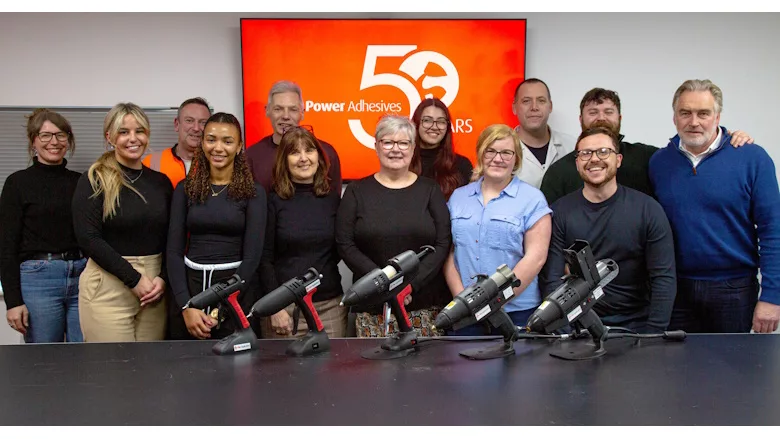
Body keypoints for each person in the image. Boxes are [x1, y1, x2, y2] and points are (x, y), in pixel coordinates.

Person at [649, 79, 780, 334]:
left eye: (703, 113)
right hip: (676, 291)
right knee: (676, 371)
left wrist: (772, 296)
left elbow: (773, 230)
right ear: (674, 118)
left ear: (717, 116)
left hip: (734, 291)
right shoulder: (659, 163)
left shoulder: (752, 158)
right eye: (685, 113)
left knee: (733, 371)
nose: (694, 121)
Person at [540, 126, 676, 333]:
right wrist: (563, 333)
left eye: (604, 151)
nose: (594, 159)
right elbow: (551, 279)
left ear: (618, 160)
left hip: (636, 326)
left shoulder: (648, 210)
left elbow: (663, 278)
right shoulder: (559, 212)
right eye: (585, 153)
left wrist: (653, 335)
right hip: (578, 327)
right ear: (577, 163)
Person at [336, 115, 451, 337]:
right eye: (388, 142)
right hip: (372, 305)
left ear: (413, 147)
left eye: (403, 143)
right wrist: (385, 283)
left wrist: (410, 285)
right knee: (376, 370)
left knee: (425, 371)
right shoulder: (356, 191)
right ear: (376, 146)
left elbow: (442, 242)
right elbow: (345, 244)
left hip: (423, 305)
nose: (395, 149)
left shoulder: (430, 190)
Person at [540, 87, 754, 205]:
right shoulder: (560, 172)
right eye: (593, 112)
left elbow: (691, 152)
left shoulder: (648, 157)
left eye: (608, 112)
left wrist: (726, 137)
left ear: (620, 117)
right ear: (580, 119)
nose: (601, 118)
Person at [72, 103, 173, 342]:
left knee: (149, 371)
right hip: (108, 285)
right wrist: (134, 279)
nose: (133, 138)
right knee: (112, 372)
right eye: (123, 132)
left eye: (139, 131)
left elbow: (172, 236)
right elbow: (88, 238)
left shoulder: (160, 183)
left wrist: (164, 278)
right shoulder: (94, 179)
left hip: (153, 289)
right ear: (110, 137)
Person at [166, 113, 266, 341]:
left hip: (237, 293)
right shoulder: (185, 188)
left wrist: (220, 310)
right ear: (202, 143)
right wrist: (186, 306)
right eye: (211, 139)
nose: (218, 148)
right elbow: (173, 252)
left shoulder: (254, 192)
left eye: (227, 141)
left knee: (237, 373)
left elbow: (252, 258)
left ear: (239, 147)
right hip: (190, 291)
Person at [444, 124, 552, 334]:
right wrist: (463, 299)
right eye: (490, 151)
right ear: (480, 155)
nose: (498, 158)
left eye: (506, 152)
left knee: (515, 367)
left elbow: (536, 257)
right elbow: (449, 253)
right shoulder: (458, 197)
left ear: (516, 159)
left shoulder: (532, 199)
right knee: (463, 366)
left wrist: (496, 299)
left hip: (516, 312)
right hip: (465, 312)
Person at [0, 109, 87, 343]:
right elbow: (6, 246)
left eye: (60, 135)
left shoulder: (81, 182)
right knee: (45, 360)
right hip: (38, 280)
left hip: (82, 275)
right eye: (45, 135)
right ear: (33, 141)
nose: (54, 142)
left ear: (68, 141)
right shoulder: (17, 183)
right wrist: (13, 301)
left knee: (87, 357)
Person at [258, 126, 345, 339]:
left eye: (309, 150)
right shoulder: (273, 201)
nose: (303, 158)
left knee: (333, 371)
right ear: (284, 160)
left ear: (319, 157)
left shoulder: (334, 200)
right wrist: (274, 307)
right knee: (282, 372)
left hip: (328, 306)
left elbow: (344, 248)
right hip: (284, 309)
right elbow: (263, 259)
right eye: (295, 152)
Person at [246, 80, 342, 195]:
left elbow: (335, 203)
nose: (285, 116)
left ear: (302, 113)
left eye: (293, 109)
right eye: (278, 109)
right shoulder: (252, 156)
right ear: (267, 111)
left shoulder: (326, 153)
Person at [511, 78, 575, 188]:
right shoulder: (500, 151)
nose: (534, 107)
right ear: (514, 108)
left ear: (550, 106)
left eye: (541, 101)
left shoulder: (572, 146)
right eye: (526, 101)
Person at [409, 97, 473, 200]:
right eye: (427, 120)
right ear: (416, 123)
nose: (434, 127)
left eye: (441, 122)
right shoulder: (404, 162)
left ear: (447, 127)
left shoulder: (461, 165)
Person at [142, 97, 211, 188]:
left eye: (203, 122)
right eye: (189, 121)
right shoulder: (151, 162)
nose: (196, 128)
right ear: (177, 124)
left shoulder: (216, 163)